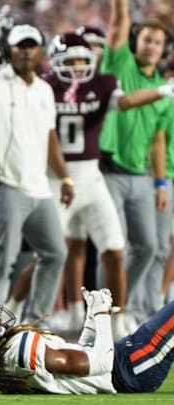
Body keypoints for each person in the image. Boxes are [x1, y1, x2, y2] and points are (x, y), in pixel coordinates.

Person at [41, 32, 174, 338]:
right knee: (49, 253)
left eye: (80, 60)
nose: (76, 66)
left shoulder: (100, 85)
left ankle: (116, 321)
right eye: (70, 60)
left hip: (91, 177)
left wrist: (162, 90)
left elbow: (126, 101)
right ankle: (33, 313)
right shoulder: (44, 88)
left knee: (114, 249)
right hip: (55, 179)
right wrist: (62, 177)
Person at [0, 24, 72, 324]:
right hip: (2, 184)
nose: (26, 51)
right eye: (20, 46)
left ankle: (36, 322)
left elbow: (50, 137)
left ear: (39, 50)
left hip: (37, 187)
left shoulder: (44, 89)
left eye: (31, 45)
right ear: (8, 49)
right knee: (1, 262)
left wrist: (64, 177)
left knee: (55, 253)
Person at [0, 289, 174, 394]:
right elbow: (101, 363)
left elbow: (79, 361)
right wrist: (102, 312)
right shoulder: (20, 349)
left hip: (126, 366)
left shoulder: (4, 363)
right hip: (131, 365)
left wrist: (91, 319)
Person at [99, 0, 174, 325]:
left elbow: (158, 141)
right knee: (112, 245)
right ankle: (105, 313)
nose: (152, 46)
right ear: (134, 41)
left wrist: (159, 182)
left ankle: (124, 307)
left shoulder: (163, 86)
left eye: (158, 42)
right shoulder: (120, 64)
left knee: (149, 245)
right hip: (107, 170)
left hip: (141, 174)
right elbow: (118, 20)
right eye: (146, 39)